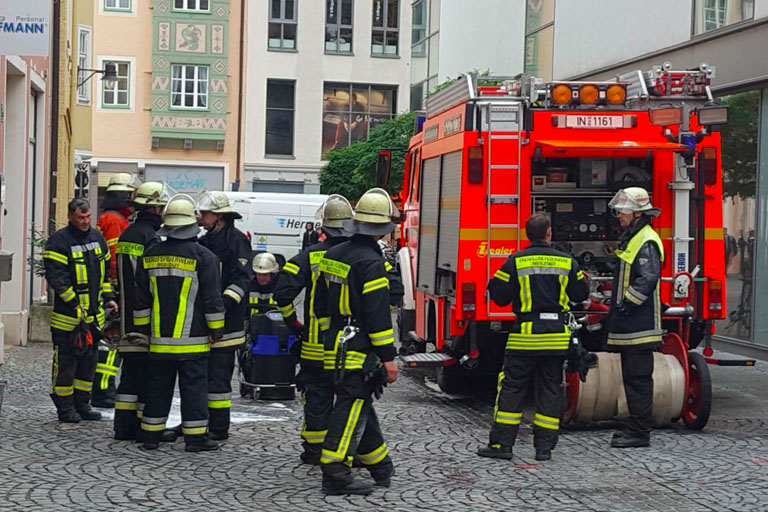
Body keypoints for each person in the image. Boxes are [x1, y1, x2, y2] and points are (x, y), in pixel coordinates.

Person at [477, 213, 589, 462]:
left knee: (512, 388)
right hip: (556, 338)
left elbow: (499, 297)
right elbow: (581, 294)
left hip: (524, 337)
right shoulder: (567, 262)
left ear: (527, 234)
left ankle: (502, 445)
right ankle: (544, 449)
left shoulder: (515, 261)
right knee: (550, 390)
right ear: (549, 233)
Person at [314, 188, 399, 496]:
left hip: (335, 344)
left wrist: (331, 337)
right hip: (359, 346)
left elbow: (319, 305)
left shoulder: (333, 255)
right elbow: (378, 314)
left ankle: (380, 466)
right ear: (382, 228)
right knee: (350, 406)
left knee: (358, 400)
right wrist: (388, 357)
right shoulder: (371, 262)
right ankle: (335, 473)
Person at [134, 195, 225, 452]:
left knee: (157, 389)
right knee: (194, 390)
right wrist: (216, 330)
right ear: (191, 225)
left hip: (159, 341)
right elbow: (212, 299)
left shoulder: (149, 255)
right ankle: (196, 439)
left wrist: (143, 330)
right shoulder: (204, 257)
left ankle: (150, 436)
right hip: (193, 341)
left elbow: (141, 299)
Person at [273, 194, 354, 466]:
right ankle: (349, 451)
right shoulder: (363, 255)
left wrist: (292, 323)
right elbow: (390, 292)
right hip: (351, 348)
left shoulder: (309, 256)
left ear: (324, 227)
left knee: (317, 397)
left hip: (314, 346)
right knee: (351, 400)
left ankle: (314, 450)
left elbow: (282, 293)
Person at [43, 198, 117, 422]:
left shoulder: (97, 238)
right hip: (68, 320)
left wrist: (109, 298)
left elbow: (104, 274)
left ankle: (82, 404)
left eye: (88, 217)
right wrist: (75, 303)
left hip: (93, 319)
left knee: (88, 365)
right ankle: (65, 408)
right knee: (66, 365)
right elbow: (57, 279)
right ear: (70, 217)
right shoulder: (59, 241)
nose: (85, 221)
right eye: (80, 217)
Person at [113, 182, 175, 441]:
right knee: (148, 377)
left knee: (130, 376)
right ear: (156, 208)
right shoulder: (150, 238)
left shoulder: (128, 233)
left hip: (127, 318)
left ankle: (123, 427)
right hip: (144, 320)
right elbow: (148, 283)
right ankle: (143, 426)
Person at [606, 187, 664, 449]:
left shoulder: (645, 240)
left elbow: (648, 278)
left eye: (624, 210)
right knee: (633, 379)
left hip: (639, 325)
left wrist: (627, 303)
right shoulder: (636, 237)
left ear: (638, 213)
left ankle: (640, 432)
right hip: (633, 324)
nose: (619, 215)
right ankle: (635, 427)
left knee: (638, 380)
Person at [197, 191, 253, 441]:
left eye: (205, 214)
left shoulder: (237, 241)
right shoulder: (204, 242)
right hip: (203, 322)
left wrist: (222, 305)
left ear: (219, 216)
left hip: (228, 325)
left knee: (219, 378)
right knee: (200, 377)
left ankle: (218, 427)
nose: (201, 218)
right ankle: (198, 422)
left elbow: (242, 279)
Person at [93, 172, 141, 408]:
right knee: (112, 341)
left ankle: (102, 389)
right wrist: (118, 290)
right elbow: (114, 261)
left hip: (107, 289)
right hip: (113, 290)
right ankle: (104, 390)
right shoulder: (114, 221)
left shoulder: (110, 218)